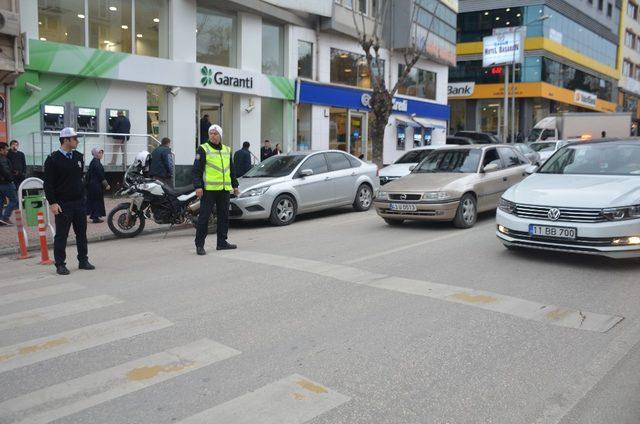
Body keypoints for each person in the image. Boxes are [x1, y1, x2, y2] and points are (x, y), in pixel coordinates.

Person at [44, 127, 95, 275]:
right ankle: (60, 264)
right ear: (66, 140)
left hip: (79, 202)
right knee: (61, 235)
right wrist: (53, 203)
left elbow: (79, 177)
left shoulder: (79, 156)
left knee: (81, 233)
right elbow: (48, 184)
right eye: (74, 138)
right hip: (62, 204)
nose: (77, 141)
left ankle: (83, 260)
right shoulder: (52, 159)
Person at [193, 124, 239, 255]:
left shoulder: (226, 150)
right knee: (204, 217)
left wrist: (235, 186)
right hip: (209, 190)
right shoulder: (203, 148)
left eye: (215, 133)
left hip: (224, 189)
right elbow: (196, 170)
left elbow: (232, 170)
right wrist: (198, 186)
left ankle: (222, 242)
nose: (212, 135)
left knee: (224, 217)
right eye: (211, 133)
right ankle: (200, 245)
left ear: (220, 135)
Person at [85, 147, 110, 224]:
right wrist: (106, 185)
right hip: (95, 185)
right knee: (96, 201)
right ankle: (95, 217)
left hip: (93, 185)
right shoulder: (96, 163)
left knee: (93, 201)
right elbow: (100, 176)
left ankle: (94, 216)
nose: (101, 154)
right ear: (95, 154)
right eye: (99, 152)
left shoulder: (94, 161)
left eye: (101, 152)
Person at [0, 142, 17, 226]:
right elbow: (5, 171)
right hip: (6, 183)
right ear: (1, 150)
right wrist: (11, 179)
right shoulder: (2, 158)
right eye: (6, 150)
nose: (7, 151)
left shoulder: (4, 157)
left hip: (1, 183)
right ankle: (5, 218)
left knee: (1, 202)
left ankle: (1, 219)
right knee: (14, 200)